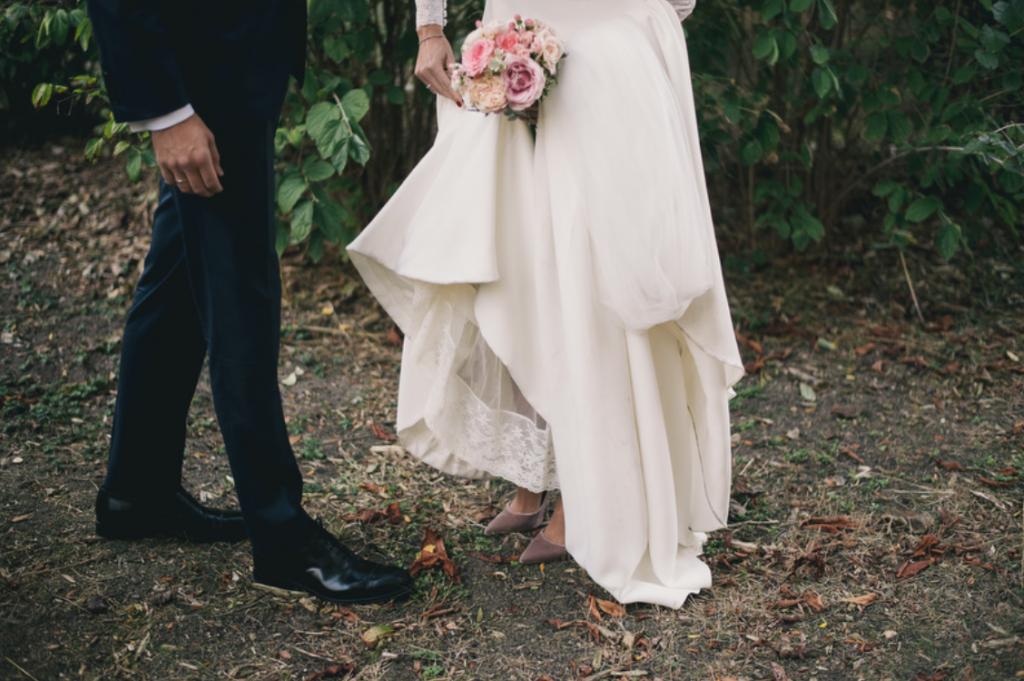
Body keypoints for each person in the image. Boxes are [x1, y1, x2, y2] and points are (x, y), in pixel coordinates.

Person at [348, 0, 744, 608]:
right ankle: (536, 477)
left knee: (587, 271)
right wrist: (430, 26)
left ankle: (594, 495)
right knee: (517, 264)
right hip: (514, 27)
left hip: (600, 47)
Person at [85, 0, 412, 605]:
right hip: (200, 78)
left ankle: (138, 489)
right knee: (242, 300)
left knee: (180, 284)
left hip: (235, 59)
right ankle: (281, 533)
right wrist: (166, 111)